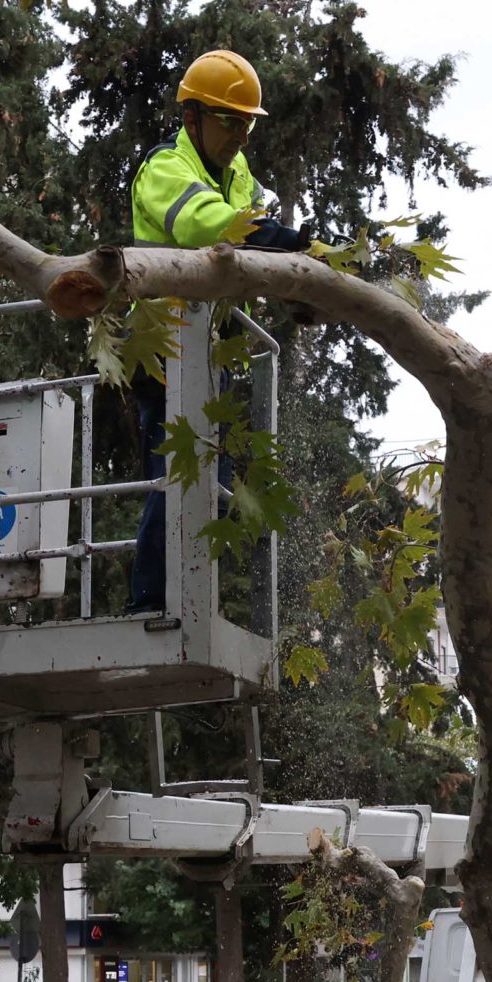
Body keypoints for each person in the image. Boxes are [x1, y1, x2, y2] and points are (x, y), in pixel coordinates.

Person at [126, 49, 313, 613]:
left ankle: (186, 598)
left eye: (247, 123)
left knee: (214, 479)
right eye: (230, 121)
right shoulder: (163, 169)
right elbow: (206, 225)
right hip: (161, 347)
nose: (241, 135)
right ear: (192, 118)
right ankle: (151, 602)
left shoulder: (239, 177)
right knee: (181, 473)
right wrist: (283, 241)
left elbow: (252, 237)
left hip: (207, 348)